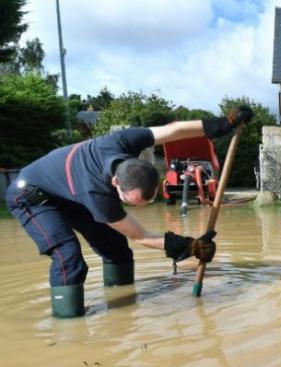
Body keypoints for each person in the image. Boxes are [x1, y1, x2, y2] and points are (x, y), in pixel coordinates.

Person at [6, 106, 254, 318]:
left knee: (116, 248)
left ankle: (122, 306)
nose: (139, 208)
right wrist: (191, 247)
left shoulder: (122, 141)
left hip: (67, 191)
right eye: (133, 203)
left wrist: (224, 123)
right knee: (68, 257)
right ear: (116, 184)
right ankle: (68, 323)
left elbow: (173, 130)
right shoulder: (97, 196)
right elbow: (142, 236)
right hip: (32, 196)